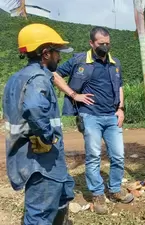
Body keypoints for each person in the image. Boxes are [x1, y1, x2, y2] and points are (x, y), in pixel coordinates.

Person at [53, 26, 133, 214]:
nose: (105, 47)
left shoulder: (115, 63)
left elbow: (119, 86)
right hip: (90, 116)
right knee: (94, 156)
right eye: (101, 44)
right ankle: (97, 194)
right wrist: (74, 94)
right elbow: (54, 74)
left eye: (107, 43)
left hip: (112, 116)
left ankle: (114, 190)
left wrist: (120, 109)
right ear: (91, 43)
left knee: (118, 155)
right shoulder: (80, 60)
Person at [2, 23, 75, 224]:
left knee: (64, 190)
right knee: (39, 214)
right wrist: (48, 136)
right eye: (56, 52)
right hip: (41, 162)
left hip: (29, 158)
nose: (59, 58)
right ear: (45, 54)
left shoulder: (16, 79)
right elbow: (33, 108)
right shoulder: (39, 79)